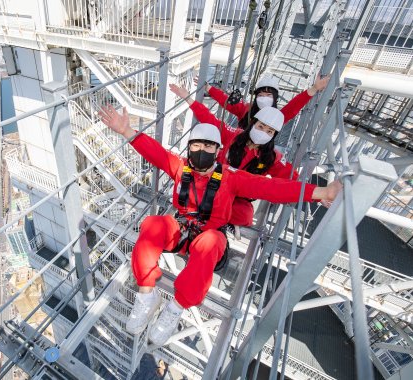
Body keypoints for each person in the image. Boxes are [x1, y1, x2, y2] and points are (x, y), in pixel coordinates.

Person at [97, 105, 342, 347]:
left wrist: (319, 191)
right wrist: (126, 130)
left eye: (208, 145)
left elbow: (272, 188)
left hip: (210, 237)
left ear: (217, 150)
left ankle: (175, 307)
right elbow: (155, 153)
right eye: (196, 145)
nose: (201, 150)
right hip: (182, 231)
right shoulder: (180, 167)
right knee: (152, 224)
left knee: (211, 241)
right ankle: (146, 295)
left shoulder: (231, 177)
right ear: (189, 147)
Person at [169, 83, 323, 227]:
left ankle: (214, 217)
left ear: (273, 135)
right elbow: (210, 120)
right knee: (196, 193)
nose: (263, 132)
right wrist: (188, 98)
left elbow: (291, 178)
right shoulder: (234, 136)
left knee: (245, 217)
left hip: (238, 195)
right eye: (261, 126)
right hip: (215, 183)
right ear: (253, 124)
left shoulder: (270, 158)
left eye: (269, 131)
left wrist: (317, 194)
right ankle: (205, 216)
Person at [194, 74, 331, 130]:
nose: (264, 97)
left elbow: (293, 107)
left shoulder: (277, 117)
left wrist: (313, 89)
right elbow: (226, 101)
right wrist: (209, 88)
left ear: (275, 98)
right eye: (261, 94)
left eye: (268, 94)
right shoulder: (246, 110)